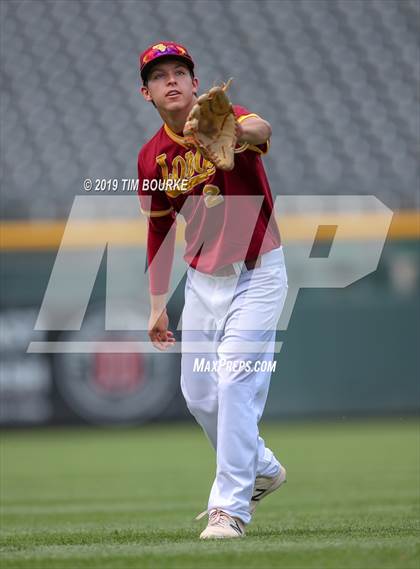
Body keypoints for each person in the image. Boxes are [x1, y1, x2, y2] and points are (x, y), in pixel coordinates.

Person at [137, 41, 288, 539]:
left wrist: (237, 130)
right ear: (147, 93)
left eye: (181, 71)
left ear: (197, 85)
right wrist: (158, 304)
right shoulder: (151, 158)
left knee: (233, 383)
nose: (172, 80)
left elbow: (264, 129)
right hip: (203, 280)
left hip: (258, 271)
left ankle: (229, 510)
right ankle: (261, 464)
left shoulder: (230, 116)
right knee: (199, 395)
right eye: (161, 76)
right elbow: (158, 230)